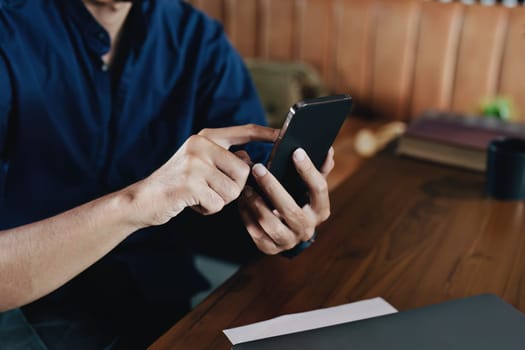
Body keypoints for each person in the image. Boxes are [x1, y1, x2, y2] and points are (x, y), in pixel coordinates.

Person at [0, 0, 334, 348]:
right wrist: (136, 203)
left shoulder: (196, 38)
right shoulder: (9, 30)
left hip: (159, 296)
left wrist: (290, 218)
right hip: (29, 307)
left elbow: (258, 176)